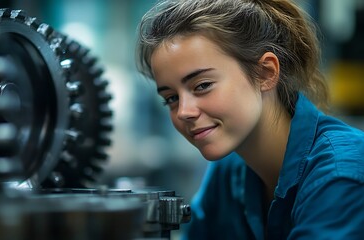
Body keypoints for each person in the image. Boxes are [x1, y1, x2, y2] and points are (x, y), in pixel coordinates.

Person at [136, 0, 364, 239]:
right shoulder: (229, 170)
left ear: (265, 73)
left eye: (202, 85)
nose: (184, 112)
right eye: (171, 98)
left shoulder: (342, 175)